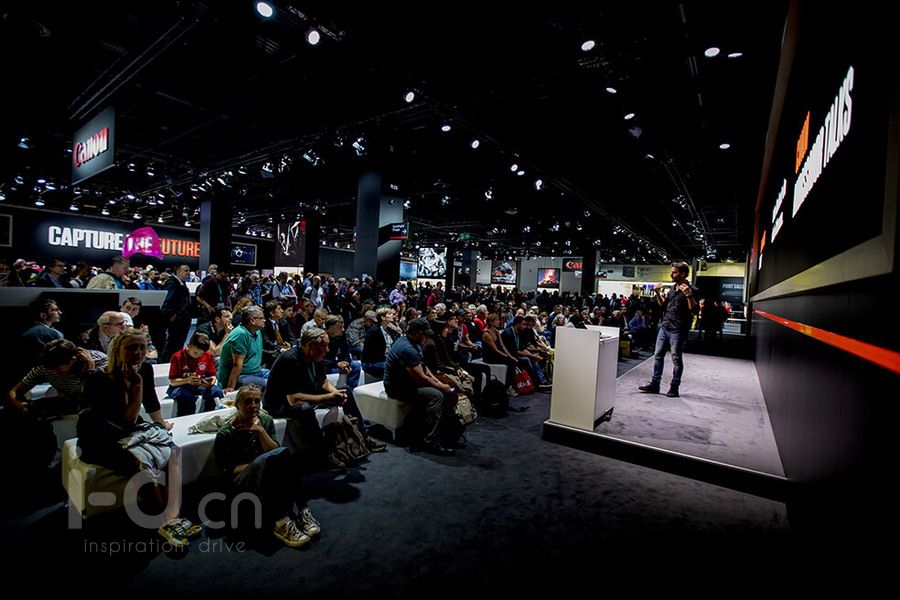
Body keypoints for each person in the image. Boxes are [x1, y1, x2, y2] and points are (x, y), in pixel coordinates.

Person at [77, 328, 199, 547]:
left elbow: (151, 402)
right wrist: (136, 387)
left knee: (173, 451)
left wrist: (161, 424)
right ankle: (161, 519)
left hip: (130, 428)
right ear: (117, 349)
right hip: (101, 435)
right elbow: (124, 420)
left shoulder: (145, 369)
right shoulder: (98, 378)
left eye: (142, 347)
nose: (139, 353)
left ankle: (173, 515)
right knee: (141, 465)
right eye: (132, 348)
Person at [263, 327, 385, 472]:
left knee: (346, 390)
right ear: (311, 346)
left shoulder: (315, 356)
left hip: (306, 392)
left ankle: (364, 436)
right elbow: (294, 399)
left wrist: (336, 393)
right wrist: (329, 397)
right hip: (279, 404)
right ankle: (324, 455)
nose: (328, 350)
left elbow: (324, 381)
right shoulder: (290, 360)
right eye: (324, 346)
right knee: (306, 410)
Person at [214, 384, 321, 548]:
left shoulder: (265, 420)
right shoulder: (226, 433)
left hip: (266, 470)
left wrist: (260, 431)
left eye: (257, 401)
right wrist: (259, 465)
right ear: (237, 405)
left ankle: (303, 511)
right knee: (276, 459)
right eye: (247, 401)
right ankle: (281, 523)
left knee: (283, 456)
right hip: (242, 480)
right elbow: (227, 471)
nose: (253, 405)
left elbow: (275, 451)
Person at [384, 318, 456, 456]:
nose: (427, 337)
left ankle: (436, 434)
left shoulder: (413, 343)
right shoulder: (407, 349)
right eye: (424, 334)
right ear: (416, 333)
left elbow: (423, 367)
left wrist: (439, 382)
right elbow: (421, 377)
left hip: (407, 383)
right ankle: (430, 441)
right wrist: (441, 387)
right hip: (396, 388)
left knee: (442, 388)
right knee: (436, 396)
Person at [639, 262, 699, 398]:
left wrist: (689, 295)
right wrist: (657, 293)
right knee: (658, 355)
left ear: (683, 274)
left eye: (674, 272)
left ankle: (674, 387)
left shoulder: (692, 289)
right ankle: (655, 384)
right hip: (665, 326)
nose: (671, 274)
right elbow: (664, 306)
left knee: (676, 359)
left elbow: (695, 310)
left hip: (678, 329)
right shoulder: (672, 289)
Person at [167, 332, 224, 416]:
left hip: (200, 385)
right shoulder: (178, 357)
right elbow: (173, 382)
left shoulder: (207, 356)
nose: (198, 355)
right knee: (186, 397)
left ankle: (208, 415)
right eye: (195, 353)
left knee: (216, 391)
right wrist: (187, 380)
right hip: (182, 386)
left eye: (201, 354)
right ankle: (187, 418)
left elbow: (212, 376)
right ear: (189, 345)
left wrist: (209, 383)